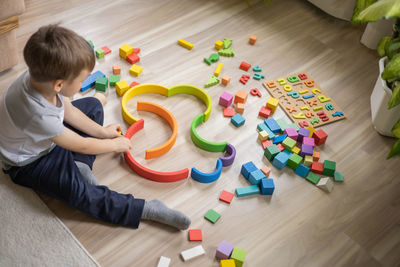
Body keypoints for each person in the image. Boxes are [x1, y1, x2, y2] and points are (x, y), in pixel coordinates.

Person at [0, 24, 190, 230]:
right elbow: (82, 145)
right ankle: (146, 208)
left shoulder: (36, 79)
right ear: (59, 85)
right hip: (31, 162)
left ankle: (80, 165)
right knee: (79, 193)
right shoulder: (37, 114)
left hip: (47, 138)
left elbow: (69, 111)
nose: (82, 84)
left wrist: (103, 133)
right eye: (81, 80)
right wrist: (115, 145)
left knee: (93, 106)